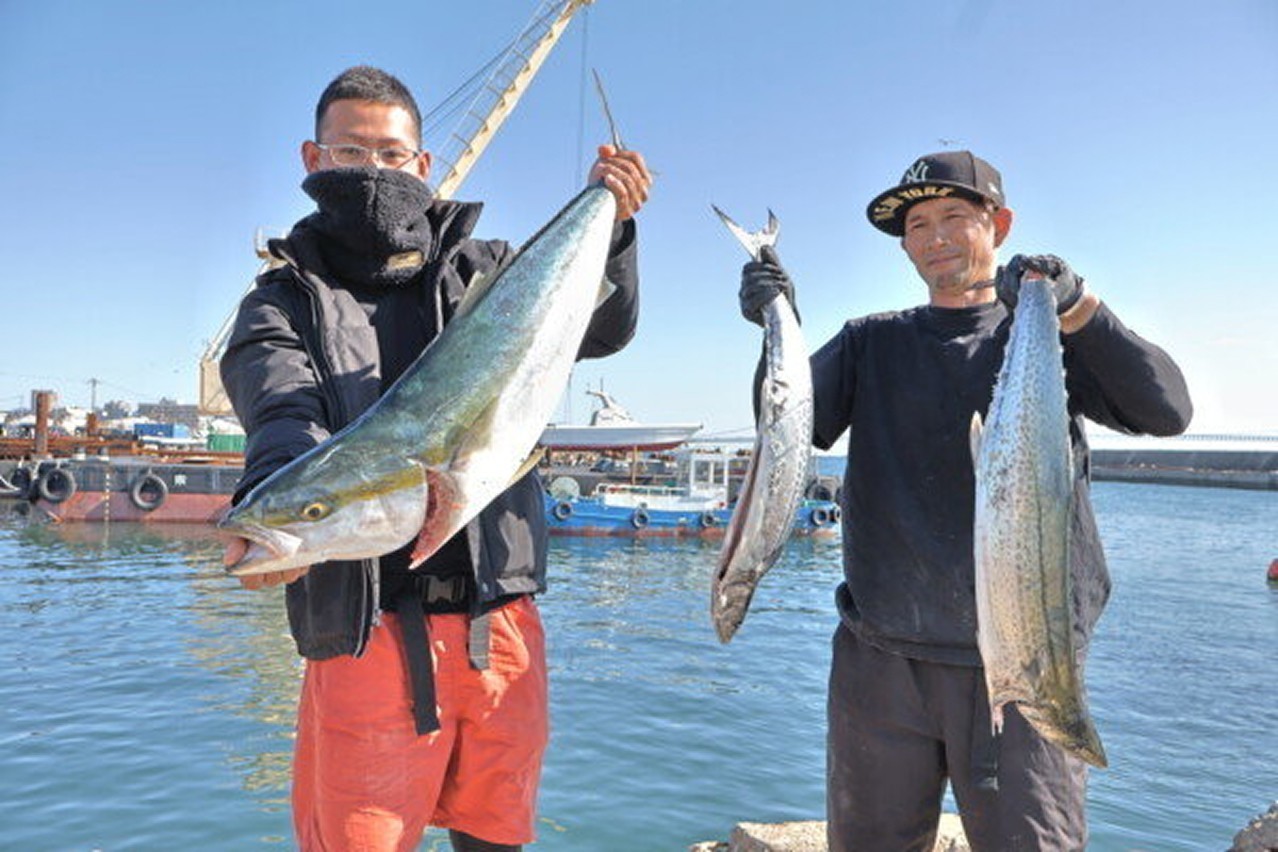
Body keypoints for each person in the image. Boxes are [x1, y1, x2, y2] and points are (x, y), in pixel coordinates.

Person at [219, 65, 652, 852]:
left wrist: (614, 228)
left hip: (501, 621)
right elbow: (282, 416)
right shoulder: (280, 303)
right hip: (366, 626)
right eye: (351, 153)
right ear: (313, 161)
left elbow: (601, 330)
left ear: (423, 166)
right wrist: (281, 504)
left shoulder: (487, 269)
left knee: (495, 836)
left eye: (391, 155)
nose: (373, 172)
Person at [738, 150, 1192, 851]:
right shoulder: (870, 343)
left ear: (999, 224)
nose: (934, 238)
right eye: (917, 225)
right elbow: (786, 426)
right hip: (881, 663)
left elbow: (1167, 410)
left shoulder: (1047, 340)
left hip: (1029, 660)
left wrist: (1075, 306)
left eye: (955, 216)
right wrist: (781, 327)